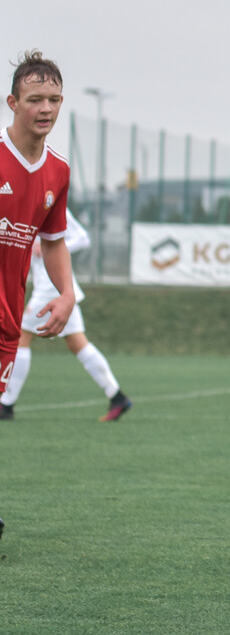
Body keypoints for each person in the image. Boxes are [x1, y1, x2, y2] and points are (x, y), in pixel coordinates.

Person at [1, 50, 76, 542]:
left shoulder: (57, 172)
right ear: (12, 102)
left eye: (53, 99)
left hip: (6, 322)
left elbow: (53, 239)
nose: (45, 108)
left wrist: (67, 294)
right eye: (34, 99)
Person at [0, 208, 132, 421]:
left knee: (21, 336)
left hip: (51, 288)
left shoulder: (49, 200)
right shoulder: (21, 199)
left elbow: (82, 238)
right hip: (52, 286)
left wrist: (46, 248)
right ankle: (117, 397)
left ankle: (6, 405)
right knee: (77, 343)